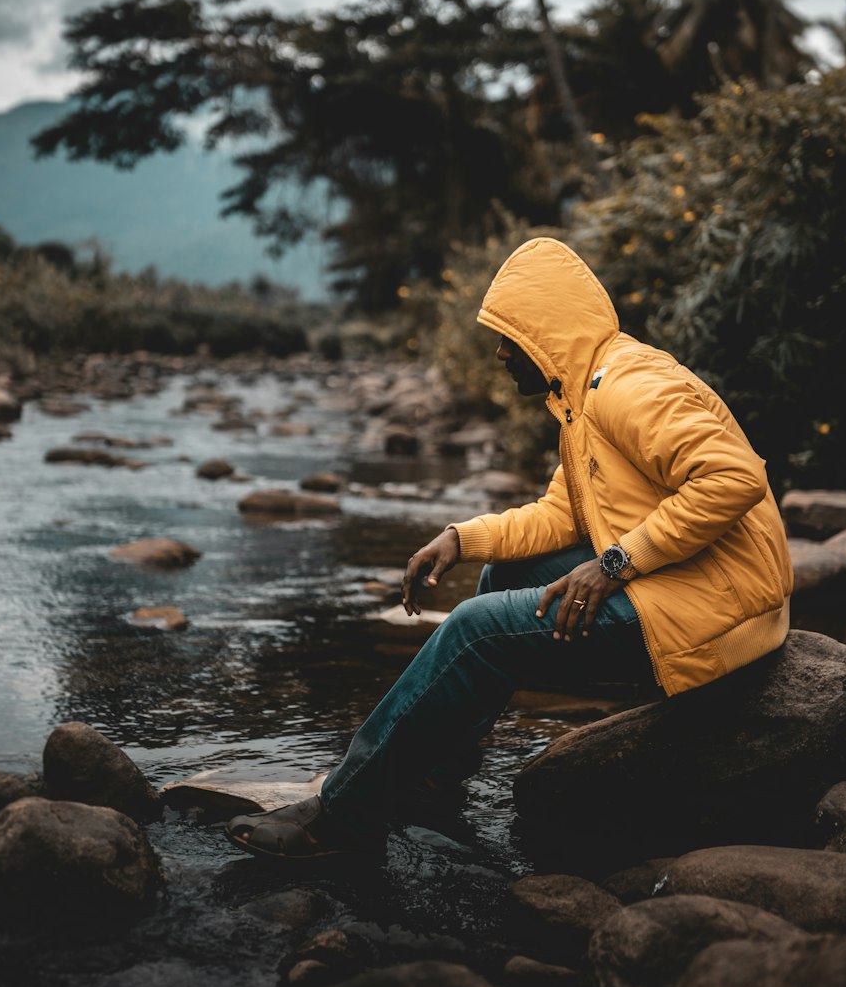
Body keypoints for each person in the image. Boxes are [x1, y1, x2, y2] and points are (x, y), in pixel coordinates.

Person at [226, 237, 793, 860]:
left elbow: (734, 478)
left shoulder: (628, 387)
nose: (498, 352)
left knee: (474, 631)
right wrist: (461, 538)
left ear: (546, 333)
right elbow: (561, 515)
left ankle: (342, 816)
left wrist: (614, 564)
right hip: (687, 583)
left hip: (715, 608)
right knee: (503, 574)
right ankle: (437, 774)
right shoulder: (583, 398)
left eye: (508, 335)